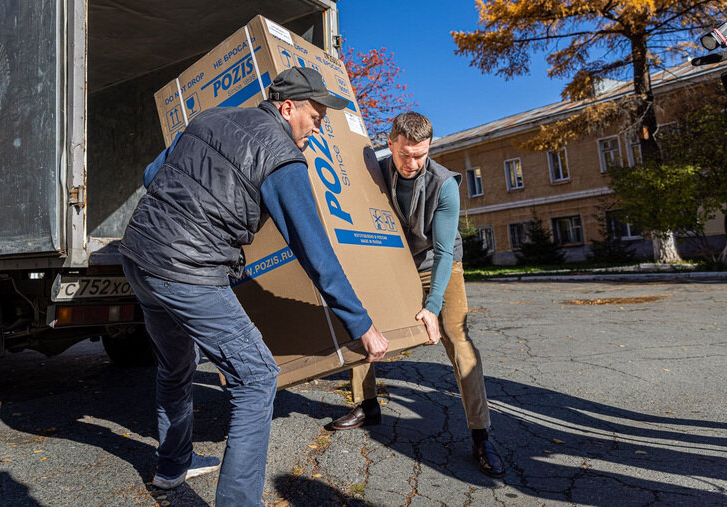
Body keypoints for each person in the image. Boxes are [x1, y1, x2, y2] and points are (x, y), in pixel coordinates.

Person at [119, 67, 389, 506]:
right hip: (190, 269)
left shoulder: (208, 118)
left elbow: (153, 175)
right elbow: (315, 252)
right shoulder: (281, 154)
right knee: (257, 377)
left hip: (139, 255)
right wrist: (360, 323)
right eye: (316, 118)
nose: (317, 130)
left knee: (174, 366)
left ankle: (171, 469)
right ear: (288, 107)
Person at [328, 112, 505, 478]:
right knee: (364, 322)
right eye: (405, 154)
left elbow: (442, 253)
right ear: (390, 142)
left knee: (458, 337)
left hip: (438, 265)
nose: (412, 163)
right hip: (395, 263)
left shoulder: (445, 185)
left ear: (429, 148)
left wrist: (432, 307)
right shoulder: (375, 171)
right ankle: (367, 404)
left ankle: (481, 434)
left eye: (420, 155)